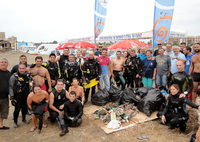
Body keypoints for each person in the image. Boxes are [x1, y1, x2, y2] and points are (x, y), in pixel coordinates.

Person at [0, 57, 10, 130]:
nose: (3, 63)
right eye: (2, 62)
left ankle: (1, 125)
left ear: (7, 64)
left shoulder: (8, 73)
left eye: (5, 62)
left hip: (5, 97)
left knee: (3, 112)